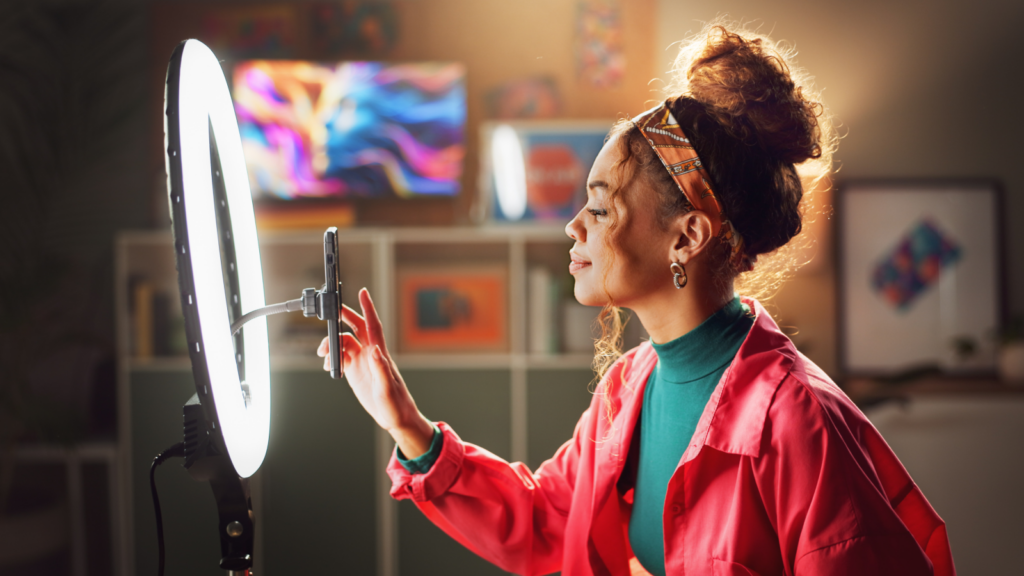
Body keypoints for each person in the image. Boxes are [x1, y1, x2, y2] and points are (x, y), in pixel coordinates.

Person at [318, 23, 955, 576]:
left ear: (688, 237)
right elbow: (544, 523)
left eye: (600, 206)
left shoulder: (796, 422)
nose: (574, 226)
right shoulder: (631, 385)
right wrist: (408, 425)